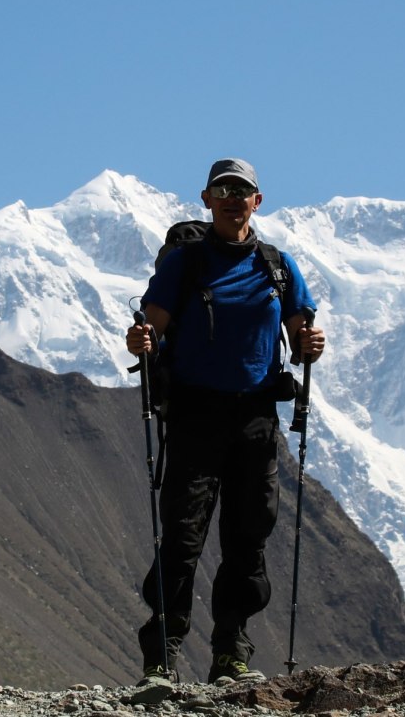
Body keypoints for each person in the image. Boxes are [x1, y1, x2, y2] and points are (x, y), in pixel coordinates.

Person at [123, 158, 325, 686]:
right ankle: (162, 654)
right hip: (194, 414)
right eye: (224, 189)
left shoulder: (277, 266)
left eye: (244, 191)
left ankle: (231, 652)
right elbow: (153, 326)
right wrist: (141, 341)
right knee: (184, 535)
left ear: (258, 202)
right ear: (208, 199)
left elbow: (303, 330)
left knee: (247, 536)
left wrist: (313, 345)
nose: (234, 198)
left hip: (255, 416)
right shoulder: (186, 263)